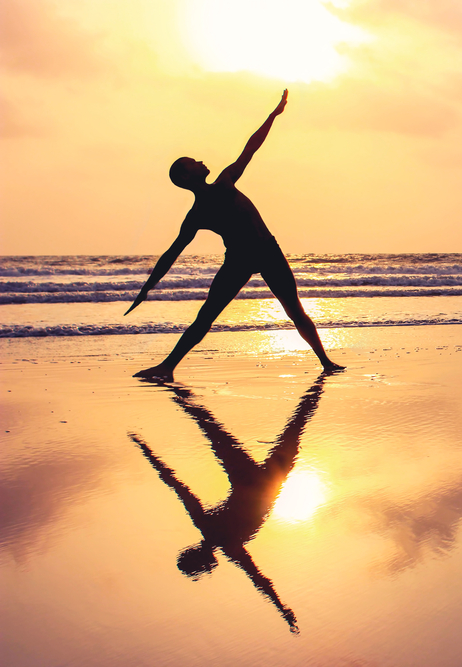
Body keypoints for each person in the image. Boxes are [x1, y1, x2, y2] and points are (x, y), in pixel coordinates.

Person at [126, 90, 342, 381]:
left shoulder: (220, 188)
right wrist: (146, 288)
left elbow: (251, 147)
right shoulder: (206, 205)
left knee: (294, 310)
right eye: (194, 163)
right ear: (187, 177)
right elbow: (171, 254)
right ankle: (167, 367)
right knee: (207, 315)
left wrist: (273, 116)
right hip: (239, 259)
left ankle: (326, 362)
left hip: (267, 251)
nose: (201, 161)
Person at [129, 375, 328, 633]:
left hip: (264, 482)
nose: (209, 568)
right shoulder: (212, 531)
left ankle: (174, 387)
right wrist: (147, 452)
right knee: (211, 427)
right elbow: (177, 485)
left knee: (295, 424)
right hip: (251, 479)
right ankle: (175, 390)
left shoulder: (228, 545)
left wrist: (282, 609)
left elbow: (259, 579)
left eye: (203, 566)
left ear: (204, 558)